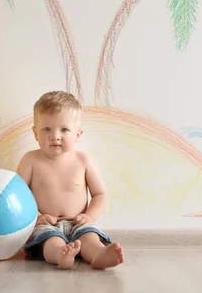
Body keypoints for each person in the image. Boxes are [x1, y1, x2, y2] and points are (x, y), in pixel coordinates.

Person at [17, 91, 124, 270]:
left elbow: (100, 194)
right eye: (46, 129)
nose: (55, 136)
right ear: (35, 133)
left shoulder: (83, 160)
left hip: (78, 223)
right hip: (45, 224)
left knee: (89, 237)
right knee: (50, 241)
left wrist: (90, 216)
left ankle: (99, 254)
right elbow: (17, 196)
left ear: (78, 135)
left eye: (64, 129)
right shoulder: (30, 160)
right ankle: (60, 254)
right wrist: (36, 218)